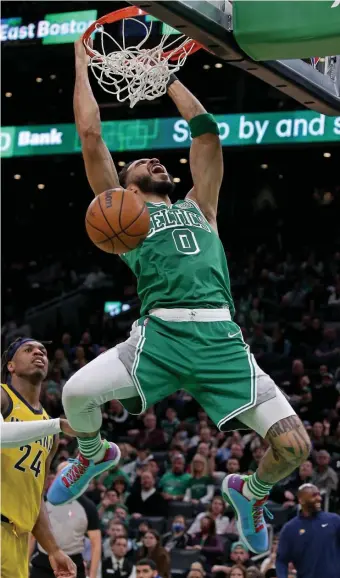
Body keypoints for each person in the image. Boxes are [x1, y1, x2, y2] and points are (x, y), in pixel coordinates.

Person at [48, 38, 312, 556]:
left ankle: (249, 493)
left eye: (157, 160)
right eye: (142, 162)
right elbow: (89, 133)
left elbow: (207, 132)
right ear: (123, 186)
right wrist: (81, 62)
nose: (153, 160)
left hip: (221, 339)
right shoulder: (125, 221)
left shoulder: (201, 206)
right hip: (160, 336)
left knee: (295, 447)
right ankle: (92, 452)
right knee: (75, 395)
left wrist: (164, 78)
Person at [0, 337, 76, 578]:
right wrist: (56, 425)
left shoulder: (49, 430)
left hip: (18, 537)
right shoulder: (3, 397)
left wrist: (53, 549)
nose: (39, 353)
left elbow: (36, 497)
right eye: (28, 350)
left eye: (43, 350)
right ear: (11, 365)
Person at [30, 460, 101, 578]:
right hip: (43, 561)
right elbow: (31, 536)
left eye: (70, 473)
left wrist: (93, 575)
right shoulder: (43, 502)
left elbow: (96, 543)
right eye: (62, 473)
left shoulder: (88, 506)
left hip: (74, 562)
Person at [276, 483, 340, 578]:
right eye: (314, 495)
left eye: (319, 494)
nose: (319, 498)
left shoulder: (334, 520)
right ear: (301, 500)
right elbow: (281, 561)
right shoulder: (290, 529)